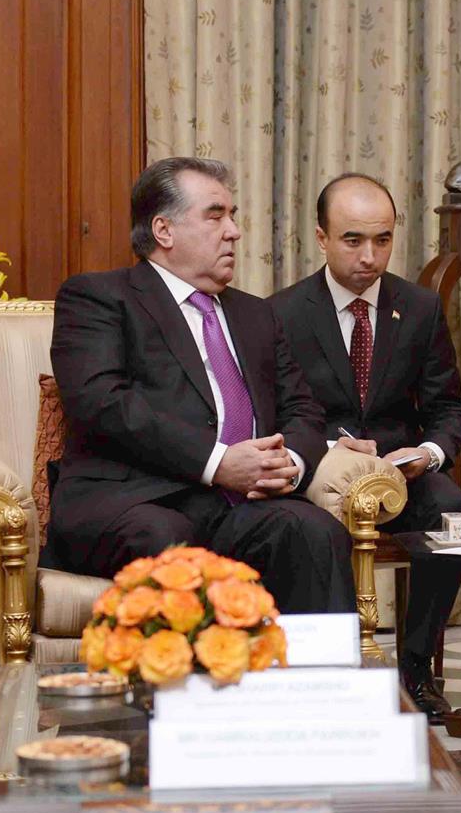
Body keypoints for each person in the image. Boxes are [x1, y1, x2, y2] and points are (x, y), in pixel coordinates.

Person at [47, 157, 355, 615]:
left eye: (233, 217)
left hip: (235, 506)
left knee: (315, 530)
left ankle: (318, 684)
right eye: (215, 216)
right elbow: (102, 403)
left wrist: (284, 463)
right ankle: (183, 684)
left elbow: (304, 411)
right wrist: (217, 462)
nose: (233, 231)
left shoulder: (256, 315)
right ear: (164, 231)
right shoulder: (99, 298)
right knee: (169, 542)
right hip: (131, 501)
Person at [271, 173, 461, 722]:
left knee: (453, 512)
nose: (370, 256)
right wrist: (334, 447)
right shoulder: (282, 314)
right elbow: (275, 414)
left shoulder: (420, 308)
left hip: (399, 471)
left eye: (382, 240)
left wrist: (425, 455)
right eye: (353, 240)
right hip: (320, 469)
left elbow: (449, 408)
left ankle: (416, 668)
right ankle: (331, 671)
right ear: (321, 237)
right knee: (299, 529)